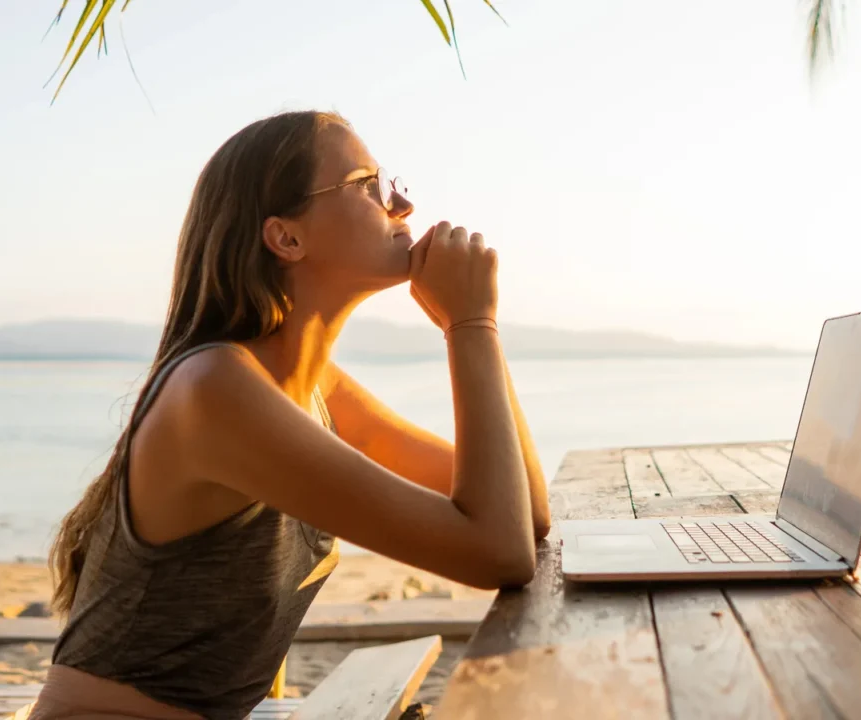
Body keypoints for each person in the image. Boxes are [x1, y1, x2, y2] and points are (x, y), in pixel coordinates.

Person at [28, 110, 550, 719]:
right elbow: (497, 552)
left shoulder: (309, 385)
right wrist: (470, 324)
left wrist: (472, 324)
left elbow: (526, 518)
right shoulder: (216, 389)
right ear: (286, 237)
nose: (402, 203)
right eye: (368, 185)